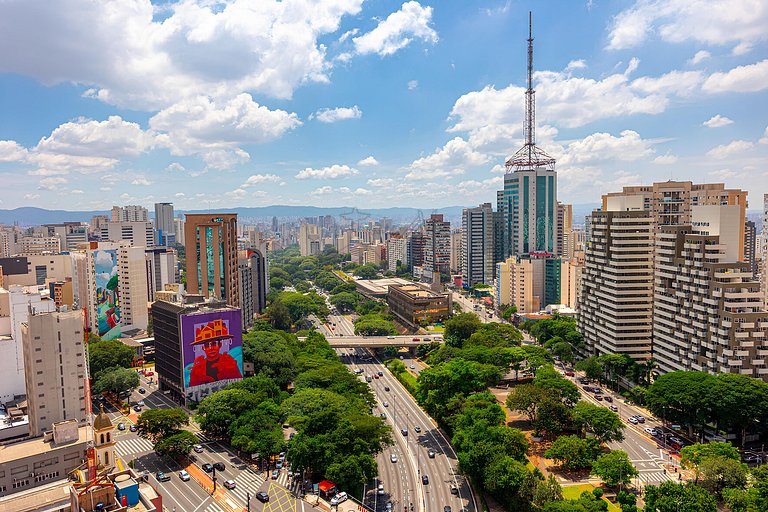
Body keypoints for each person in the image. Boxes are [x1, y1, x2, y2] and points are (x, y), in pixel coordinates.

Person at [189, 319, 242, 386]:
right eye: (207, 345)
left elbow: (238, 381)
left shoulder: (229, 361)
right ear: (203, 348)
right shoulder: (198, 367)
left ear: (220, 345)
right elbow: (193, 385)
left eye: (214, 344)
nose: (211, 348)